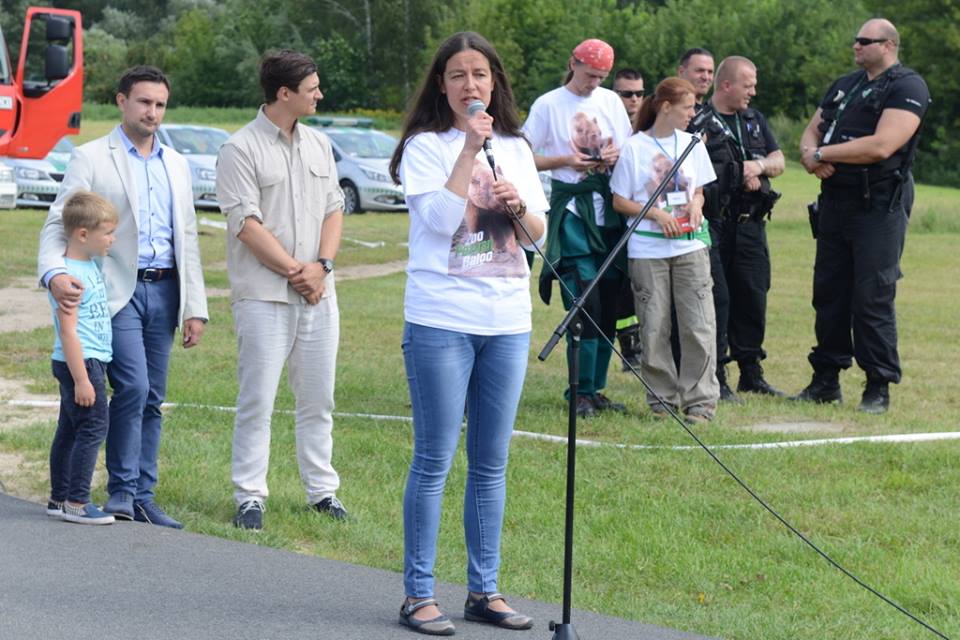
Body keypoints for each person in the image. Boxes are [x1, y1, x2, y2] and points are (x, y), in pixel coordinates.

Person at [388, 31, 546, 636]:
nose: (470, 85)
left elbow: (538, 236)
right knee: (434, 459)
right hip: (441, 319)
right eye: (457, 75)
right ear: (441, 85)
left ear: (495, 82)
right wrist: (467, 156)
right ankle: (419, 595)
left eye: (480, 74)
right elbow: (436, 220)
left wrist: (516, 206)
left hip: (505, 321)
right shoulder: (426, 147)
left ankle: (484, 590)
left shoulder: (517, 147)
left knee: (491, 463)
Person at [38, 65, 208, 530]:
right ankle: (122, 492)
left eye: (160, 104)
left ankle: (142, 496)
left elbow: (187, 235)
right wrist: (53, 273)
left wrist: (196, 306)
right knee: (131, 387)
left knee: (153, 396)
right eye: (144, 102)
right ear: (121, 101)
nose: (152, 112)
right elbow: (59, 221)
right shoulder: (92, 156)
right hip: (115, 291)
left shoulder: (176, 163)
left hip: (167, 289)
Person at [216, 50, 348, 530]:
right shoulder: (240, 149)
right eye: (312, 87)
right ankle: (250, 495)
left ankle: (322, 492)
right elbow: (245, 225)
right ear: (283, 93)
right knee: (259, 399)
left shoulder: (319, 144)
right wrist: (299, 270)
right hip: (264, 296)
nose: (320, 94)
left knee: (318, 399)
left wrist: (323, 267)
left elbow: (334, 209)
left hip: (319, 294)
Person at [795, 18, 929, 414]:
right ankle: (825, 380)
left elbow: (882, 145)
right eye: (855, 40)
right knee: (830, 292)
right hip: (835, 200)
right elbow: (812, 131)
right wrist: (809, 155)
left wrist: (822, 154)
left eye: (864, 41)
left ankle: (877, 386)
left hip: (878, 203)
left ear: (887, 45)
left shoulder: (907, 86)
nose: (855, 46)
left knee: (872, 295)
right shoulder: (845, 83)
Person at [524, 38, 633, 418]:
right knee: (583, 300)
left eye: (601, 77)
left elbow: (628, 146)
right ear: (573, 63)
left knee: (609, 303)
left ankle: (596, 388)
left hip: (609, 212)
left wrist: (615, 155)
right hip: (572, 212)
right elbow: (523, 157)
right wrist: (565, 160)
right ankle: (579, 392)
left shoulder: (611, 102)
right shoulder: (548, 105)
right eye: (589, 75)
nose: (593, 84)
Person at [611, 77, 719, 423]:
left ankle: (700, 402)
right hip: (647, 249)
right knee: (654, 325)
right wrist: (656, 213)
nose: (693, 113)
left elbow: (698, 189)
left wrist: (697, 204)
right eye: (688, 107)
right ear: (666, 107)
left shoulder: (692, 143)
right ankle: (662, 401)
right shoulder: (635, 147)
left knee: (698, 323)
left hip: (690, 245)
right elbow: (619, 200)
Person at [696, 56, 785, 402]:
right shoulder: (701, 121)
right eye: (748, 85)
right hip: (717, 222)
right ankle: (716, 374)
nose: (754, 91)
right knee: (717, 299)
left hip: (751, 224)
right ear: (727, 85)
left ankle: (752, 372)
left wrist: (757, 165)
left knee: (752, 295)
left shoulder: (754, 120)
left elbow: (778, 161)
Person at [46, 191, 119, 525]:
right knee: (92, 429)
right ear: (83, 234)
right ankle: (77, 501)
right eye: (107, 233)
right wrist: (82, 379)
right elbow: (68, 331)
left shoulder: (87, 264)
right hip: (82, 362)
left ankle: (58, 497)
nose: (112, 239)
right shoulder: (71, 278)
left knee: (69, 430)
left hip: (84, 360)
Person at [611, 68, 646, 371]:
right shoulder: (607, 123)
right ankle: (627, 345)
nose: (633, 99)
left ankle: (638, 343)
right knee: (619, 282)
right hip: (613, 212)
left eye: (638, 93)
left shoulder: (647, 127)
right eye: (626, 93)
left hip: (644, 214)